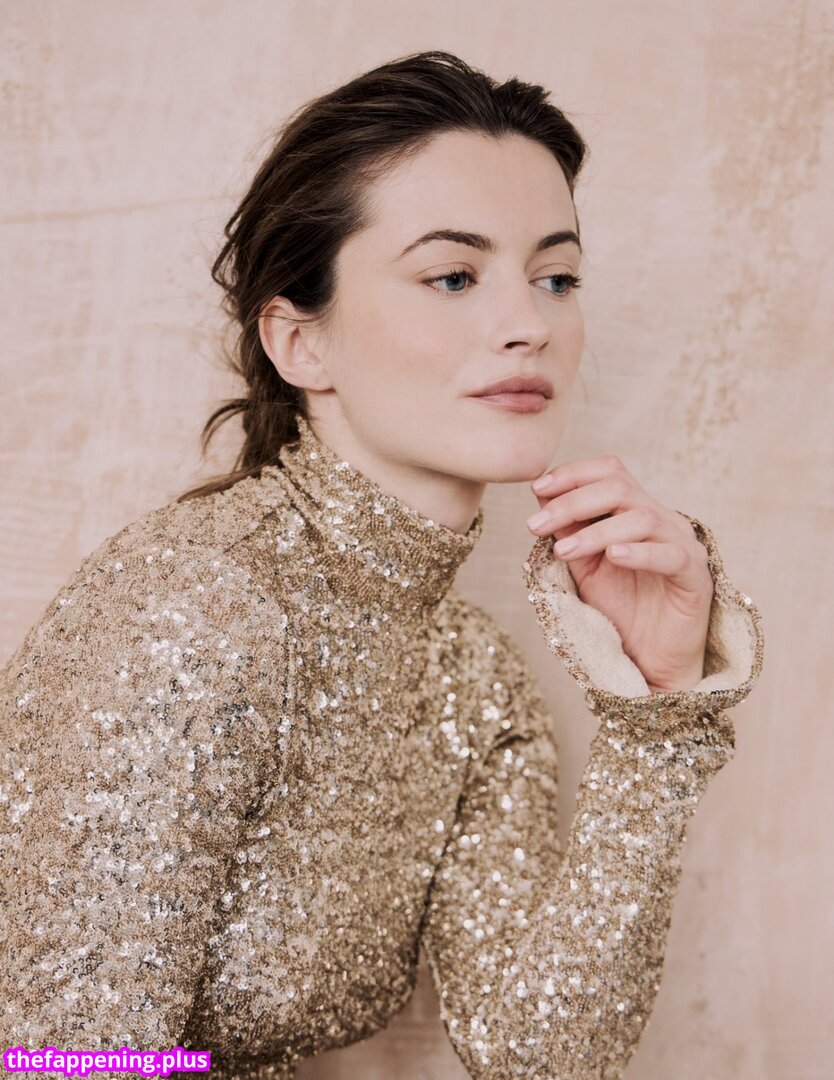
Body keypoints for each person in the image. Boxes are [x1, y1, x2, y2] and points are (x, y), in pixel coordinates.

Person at [0, 50, 764, 1080]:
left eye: (557, 278)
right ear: (299, 342)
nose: (529, 325)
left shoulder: (472, 671)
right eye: (454, 276)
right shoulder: (196, 607)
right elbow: (63, 1062)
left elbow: (541, 1057)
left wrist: (654, 714)